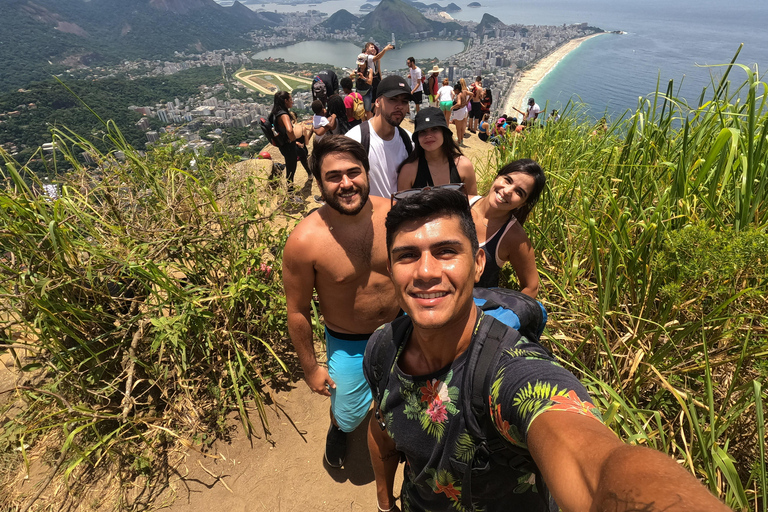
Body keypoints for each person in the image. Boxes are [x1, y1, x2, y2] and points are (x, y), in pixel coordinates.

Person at [365, 187, 732, 512]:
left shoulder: (510, 372)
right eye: (407, 255)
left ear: (478, 265)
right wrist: (385, 500)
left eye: (446, 251)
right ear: (391, 269)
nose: (426, 271)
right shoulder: (384, 346)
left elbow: (595, 465)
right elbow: (383, 429)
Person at [283, 136, 400, 469]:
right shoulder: (305, 241)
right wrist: (310, 368)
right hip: (349, 342)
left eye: (354, 172)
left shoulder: (394, 215)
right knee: (349, 413)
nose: (346, 183)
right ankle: (338, 426)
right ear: (319, 183)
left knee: (401, 396)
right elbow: (297, 310)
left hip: (400, 329)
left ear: (367, 172)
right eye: (334, 176)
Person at [470, 159, 545, 295]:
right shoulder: (459, 202)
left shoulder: (513, 237)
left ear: (523, 204)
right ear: (497, 176)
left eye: (519, 192)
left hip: (473, 310)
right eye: (508, 180)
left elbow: (531, 287)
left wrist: (508, 315)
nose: (507, 191)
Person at [346, 75, 413, 198]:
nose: (399, 106)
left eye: (404, 101)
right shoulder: (355, 140)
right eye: (393, 99)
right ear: (377, 102)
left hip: (401, 214)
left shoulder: (409, 140)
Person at [396, 107, 477, 195]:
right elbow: (402, 207)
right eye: (423, 131)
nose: (428, 136)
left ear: (444, 133)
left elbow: (473, 205)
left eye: (434, 129)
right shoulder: (409, 171)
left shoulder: (463, 165)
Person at [269, 91, 310, 188]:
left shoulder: (275, 112)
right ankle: (290, 193)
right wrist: (293, 139)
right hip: (288, 147)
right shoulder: (284, 115)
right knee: (291, 170)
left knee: (302, 153)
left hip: (283, 145)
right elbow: (289, 130)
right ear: (285, 101)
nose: (292, 102)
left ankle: (310, 173)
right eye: (291, 99)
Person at [450, 78, 470, 146]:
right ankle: (461, 140)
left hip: (459, 111)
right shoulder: (464, 92)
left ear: (457, 90)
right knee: (462, 128)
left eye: (454, 90)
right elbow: (472, 94)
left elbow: (458, 103)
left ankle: (459, 141)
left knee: (458, 128)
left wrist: (452, 107)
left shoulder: (458, 95)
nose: (453, 91)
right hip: (465, 110)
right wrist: (467, 102)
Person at [355, 53, 375, 119]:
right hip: (358, 92)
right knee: (360, 110)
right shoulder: (356, 70)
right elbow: (350, 79)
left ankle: (369, 123)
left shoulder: (369, 70)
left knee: (368, 110)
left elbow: (370, 82)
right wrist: (353, 76)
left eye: (361, 63)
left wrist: (363, 78)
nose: (360, 65)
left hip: (367, 92)